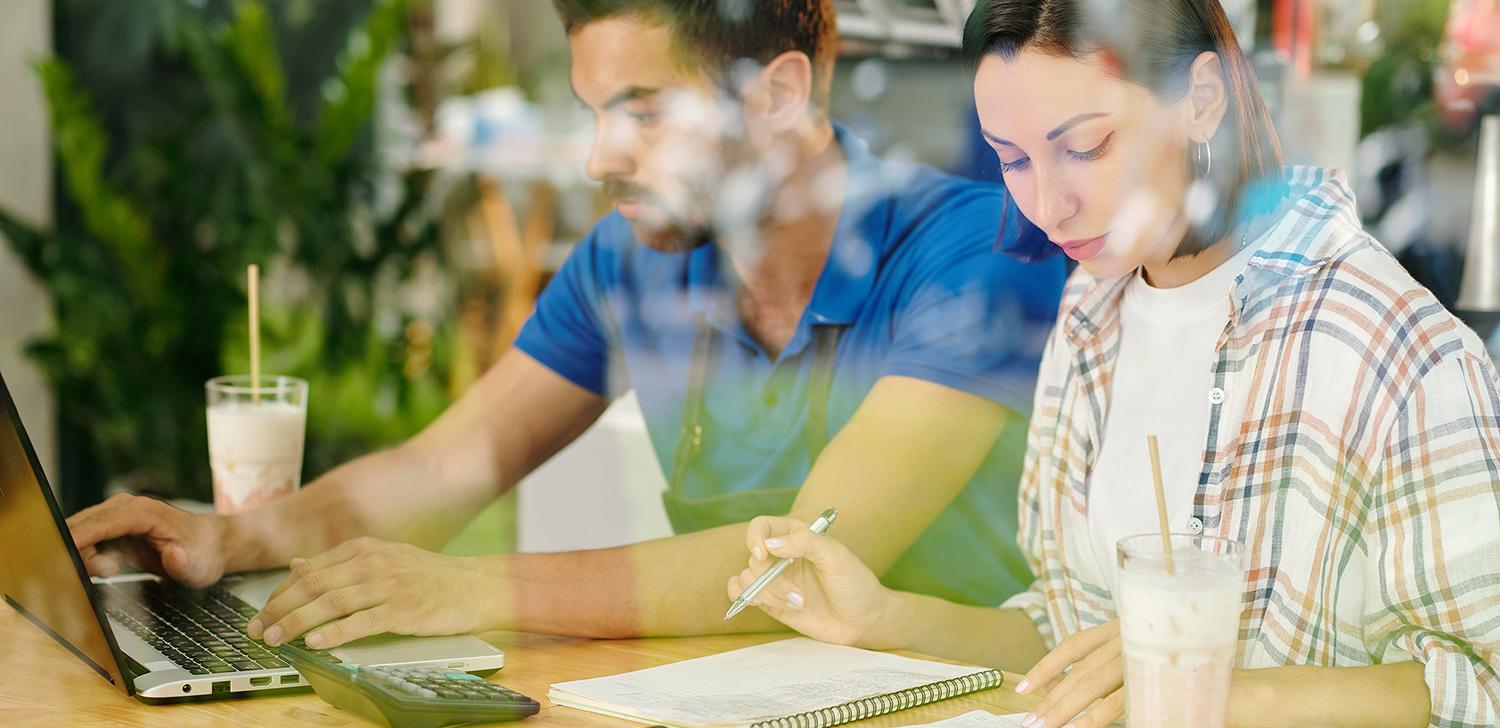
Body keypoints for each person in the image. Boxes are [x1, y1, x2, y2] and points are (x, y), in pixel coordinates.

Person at [65, 0, 1065, 649]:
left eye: (643, 113)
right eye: (594, 112)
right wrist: (225, 536)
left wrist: (465, 588)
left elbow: (798, 562)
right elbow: (435, 471)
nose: (597, 160)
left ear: (777, 96)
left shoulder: (975, 251)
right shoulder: (631, 261)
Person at [726, 1, 1500, 726]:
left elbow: (1484, 684)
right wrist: (882, 617)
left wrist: (1220, 693)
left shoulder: (1394, 350)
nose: (1047, 205)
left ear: (1202, 99)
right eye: (1013, 160)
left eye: (1085, 148)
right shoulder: (1090, 314)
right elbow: (1070, 637)